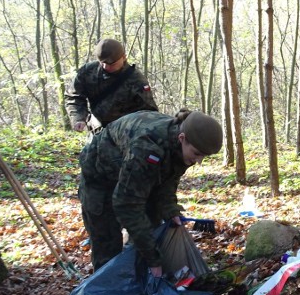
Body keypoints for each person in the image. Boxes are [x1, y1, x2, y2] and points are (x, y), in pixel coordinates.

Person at [78, 109, 223, 274]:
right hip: (100, 178)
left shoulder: (181, 146)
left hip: (132, 175)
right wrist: (153, 260)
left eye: (203, 156)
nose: (198, 161)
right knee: (108, 250)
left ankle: (143, 284)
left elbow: (167, 180)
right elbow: (126, 204)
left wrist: (170, 210)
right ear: (182, 138)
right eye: (197, 154)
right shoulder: (148, 146)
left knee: (153, 230)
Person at [66, 38, 158, 133]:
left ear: (124, 57)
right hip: (97, 131)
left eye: (112, 63)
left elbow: (149, 113)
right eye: (103, 63)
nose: (106, 67)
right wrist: (78, 118)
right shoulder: (88, 71)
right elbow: (74, 96)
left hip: (125, 133)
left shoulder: (136, 80)